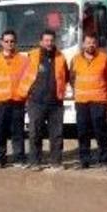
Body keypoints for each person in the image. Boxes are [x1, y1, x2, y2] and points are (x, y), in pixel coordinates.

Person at [20, 29, 69, 172]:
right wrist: (28, 93)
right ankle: (35, 161)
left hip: (56, 102)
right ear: (41, 42)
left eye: (51, 40)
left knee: (57, 134)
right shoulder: (32, 56)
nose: (49, 43)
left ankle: (56, 161)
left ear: (55, 41)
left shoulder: (61, 57)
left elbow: (65, 77)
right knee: (35, 133)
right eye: (46, 40)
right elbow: (23, 75)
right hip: (36, 101)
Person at [69, 33, 107, 169]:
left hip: (99, 100)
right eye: (88, 42)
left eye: (93, 42)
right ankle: (84, 160)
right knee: (82, 131)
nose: (90, 45)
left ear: (96, 44)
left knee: (100, 131)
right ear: (83, 44)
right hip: (81, 101)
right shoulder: (75, 59)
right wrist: (77, 92)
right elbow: (72, 78)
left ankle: (104, 160)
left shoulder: (104, 58)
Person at [0, 29, 29, 169]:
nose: (9, 44)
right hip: (0, 101)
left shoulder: (24, 60)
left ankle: (19, 158)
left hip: (17, 101)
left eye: (12, 41)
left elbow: (27, 80)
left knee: (17, 132)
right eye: (6, 41)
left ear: (15, 42)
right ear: (2, 43)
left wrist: (25, 98)